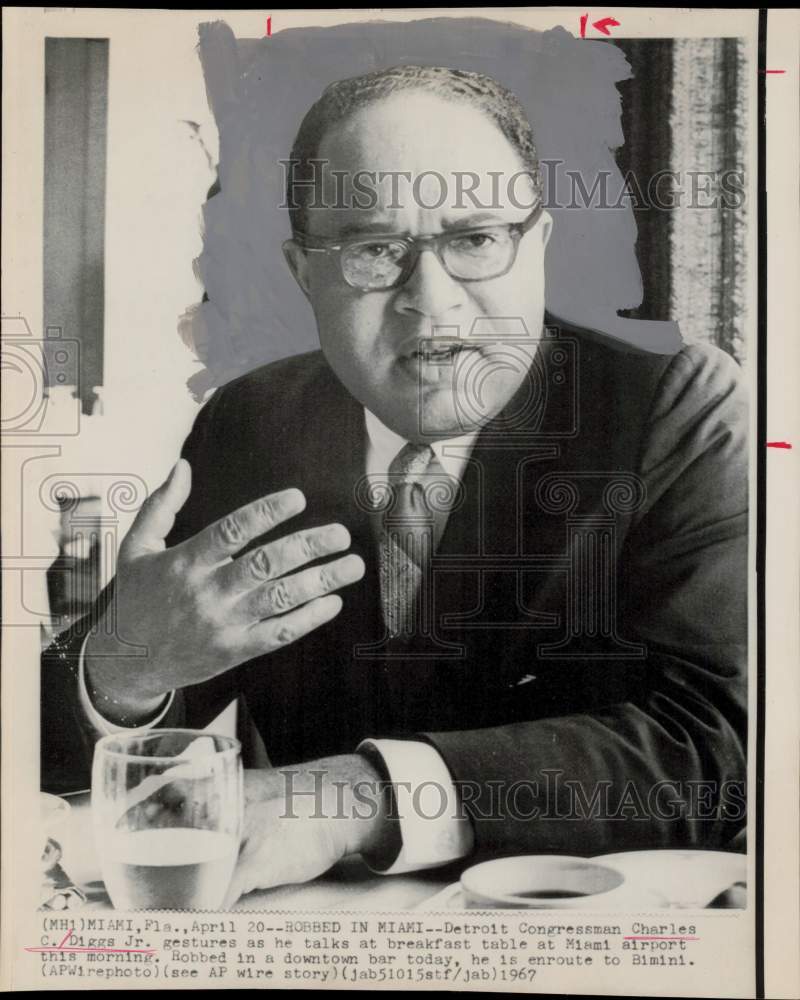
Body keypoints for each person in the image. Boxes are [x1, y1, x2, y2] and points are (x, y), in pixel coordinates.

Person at [41, 65, 748, 904]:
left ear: (539, 244)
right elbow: (45, 760)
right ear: (306, 274)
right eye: (374, 250)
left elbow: (718, 749)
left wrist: (351, 798)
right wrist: (125, 665)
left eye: (477, 238)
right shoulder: (250, 420)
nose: (432, 300)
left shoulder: (675, 409)